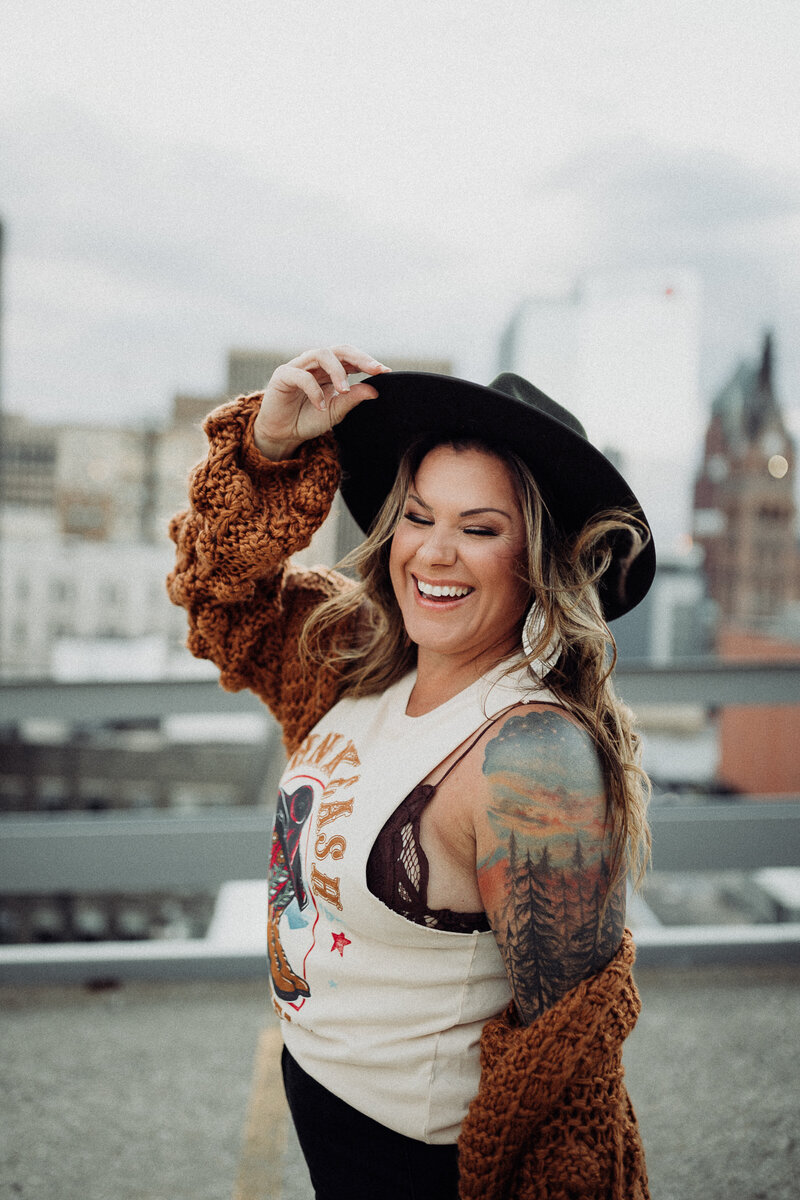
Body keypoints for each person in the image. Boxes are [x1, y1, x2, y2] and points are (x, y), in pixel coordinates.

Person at [168, 345, 654, 1199]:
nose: (434, 553)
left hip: (418, 1171)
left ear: (537, 559)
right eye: (420, 516)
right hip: (323, 1117)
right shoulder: (353, 659)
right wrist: (267, 451)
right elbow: (220, 601)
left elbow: (566, 1082)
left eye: (479, 528)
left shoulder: (531, 760)